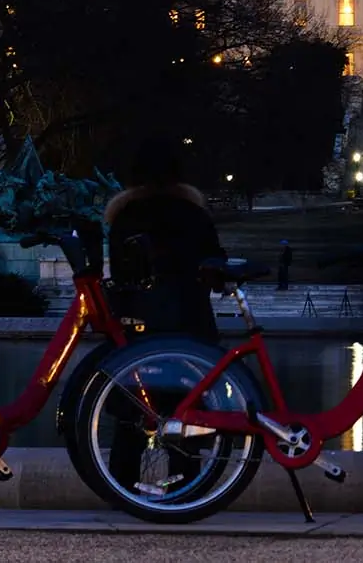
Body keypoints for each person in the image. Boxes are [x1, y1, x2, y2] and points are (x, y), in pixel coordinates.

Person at [103, 137, 225, 500]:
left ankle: (120, 488)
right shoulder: (194, 214)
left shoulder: (125, 215)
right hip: (188, 320)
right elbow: (213, 264)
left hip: (138, 322)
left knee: (131, 417)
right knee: (187, 414)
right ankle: (186, 488)